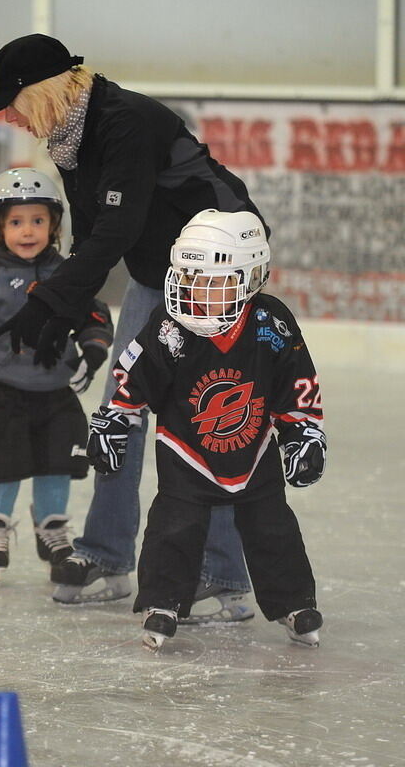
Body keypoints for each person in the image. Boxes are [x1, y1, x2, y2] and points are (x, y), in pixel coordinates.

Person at [0, 33, 266, 617]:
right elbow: (91, 235)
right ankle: (109, 554)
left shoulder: (125, 121)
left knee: (203, 409)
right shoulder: (71, 139)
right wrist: (65, 309)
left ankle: (222, 573)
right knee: (124, 403)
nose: (10, 118)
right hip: (157, 269)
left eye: (12, 103)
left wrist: (48, 297)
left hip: (216, 272)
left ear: (42, 91)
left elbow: (119, 225)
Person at [86, 209, 325, 650]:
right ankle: (162, 602)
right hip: (185, 450)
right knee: (173, 527)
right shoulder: (171, 326)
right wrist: (115, 420)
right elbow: (134, 376)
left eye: (213, 282)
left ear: (250, 278)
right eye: (191, 278)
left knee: (273, 528)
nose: (197, 292)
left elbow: (296, 381)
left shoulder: (270, 323)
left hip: (254, 452)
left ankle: (294, 602)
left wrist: (303, 433)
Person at [0, 167, 113, 586]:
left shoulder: (66, 271)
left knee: (59, 463)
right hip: (2, 393)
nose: (28, 231)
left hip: (55, 392)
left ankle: (52, 530)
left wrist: (92, 348)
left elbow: (93, 313)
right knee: (2, 466)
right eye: (16, 222)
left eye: (38, 220)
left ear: (54, 224)